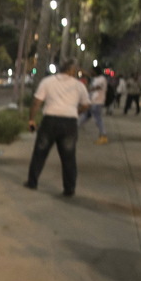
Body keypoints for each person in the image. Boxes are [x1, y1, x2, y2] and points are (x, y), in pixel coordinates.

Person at [25, 57, 90, 197]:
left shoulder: (48, 82)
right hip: (69, 123)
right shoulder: (79, 86)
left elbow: (37, 102)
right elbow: (86, 105)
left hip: (50, 120)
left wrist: (31, 120)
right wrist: (75, 112)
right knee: (68, 157)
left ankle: (32, 182)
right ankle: (69, 188)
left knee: (40, 152)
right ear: (72, 70)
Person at [78, 66, 108, 144]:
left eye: (92, 71)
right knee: (84, 117)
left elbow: (98, 87)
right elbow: (88, 75)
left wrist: (88, 89)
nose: (91, 72)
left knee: (98, 119)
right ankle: (72, 130)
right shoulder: (95, 79)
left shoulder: (102, 79)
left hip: (97, 102)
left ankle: (103, 135)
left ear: (96, 71)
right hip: (91, 102)